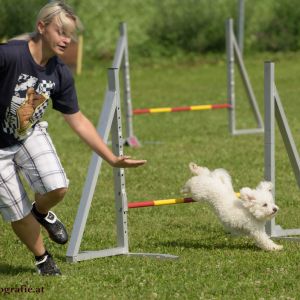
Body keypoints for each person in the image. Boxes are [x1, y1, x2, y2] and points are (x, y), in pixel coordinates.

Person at [0, 1, 146, 276]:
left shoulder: (59, 73)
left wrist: (112, 158)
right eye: (61, 32)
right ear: (41, 27)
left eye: (70, 35)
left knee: (58, 187)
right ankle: (43, 259)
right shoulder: (9, 55)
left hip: (27, 133)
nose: (67, 40)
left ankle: (40, 212)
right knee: (17, 212)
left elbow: (77, 119)